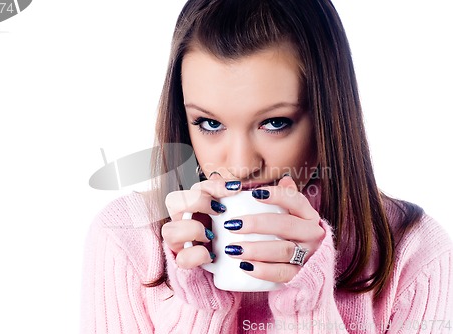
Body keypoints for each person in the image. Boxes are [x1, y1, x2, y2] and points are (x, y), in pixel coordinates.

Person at [80, 0, 453, 332]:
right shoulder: (126, 238)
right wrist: (201, 309)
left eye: (274, 123)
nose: (241, 166)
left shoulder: (414, 254)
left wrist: (307, 311)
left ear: (327, 115)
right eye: (210, 124)